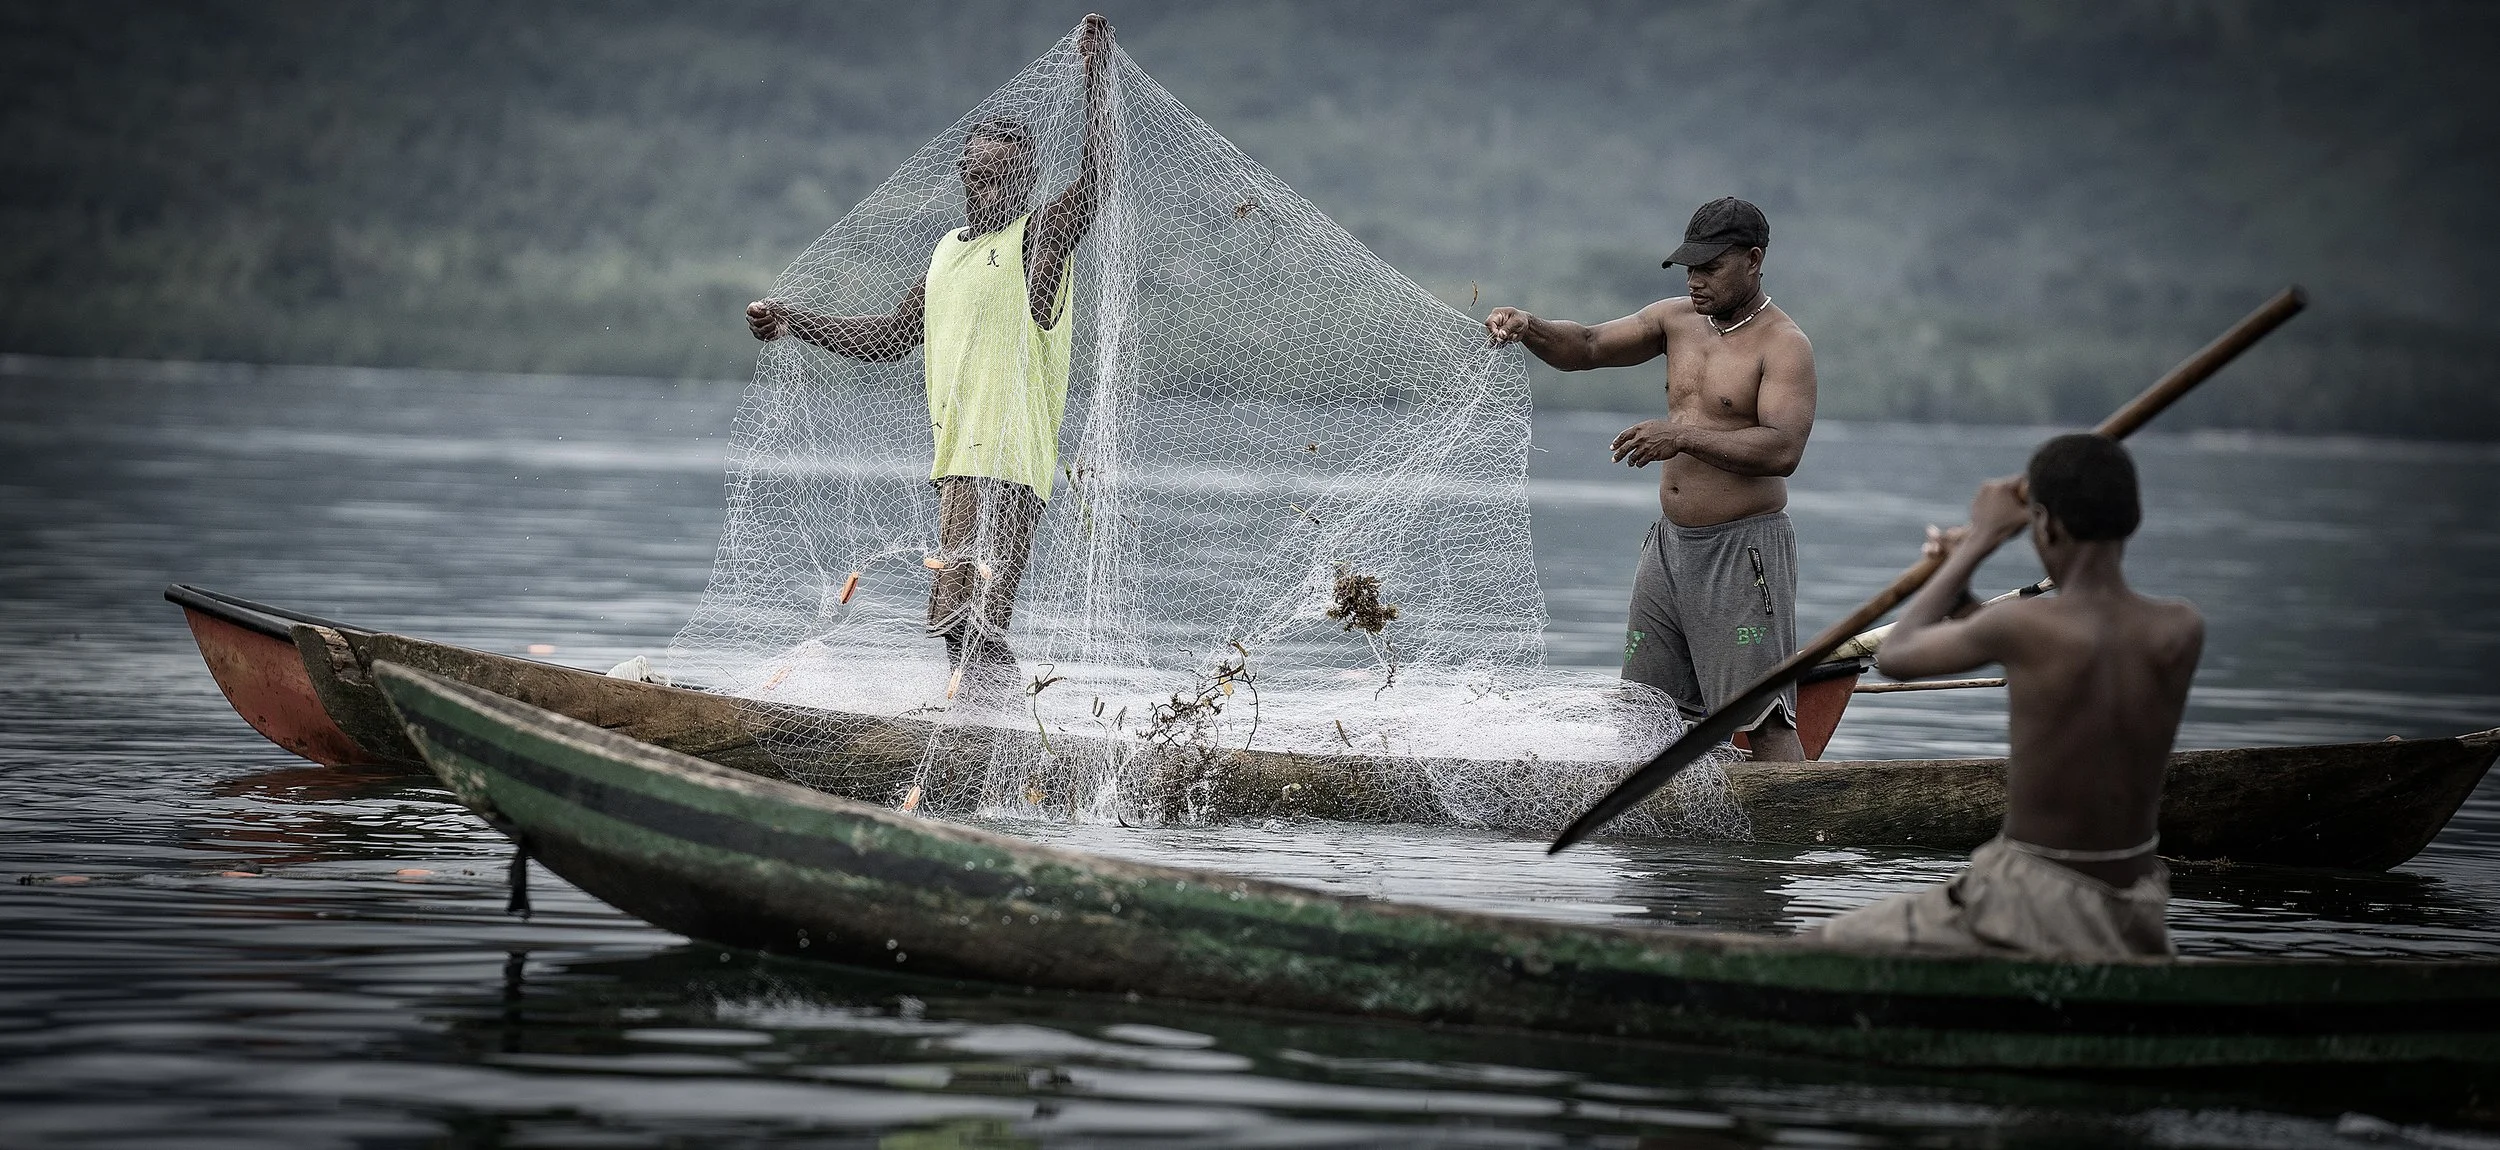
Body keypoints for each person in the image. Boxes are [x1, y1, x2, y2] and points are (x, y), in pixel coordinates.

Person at [745, 14, 1112, 683]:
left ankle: (990, 744)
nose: (986, 185)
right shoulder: (949, 255)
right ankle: (977, 734)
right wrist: (794, 320)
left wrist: (1096, 76)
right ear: (962, 175)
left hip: (1007, 466)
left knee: (978, 620)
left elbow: (1099, 180)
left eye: (1002, 175)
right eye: (976, 173)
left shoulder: (1040, 241)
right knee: (952, 621)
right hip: (958, 467)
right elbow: (889, 336)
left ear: (1028, 177)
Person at [1816, 433, 2204, 959]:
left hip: (2031, 895)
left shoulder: (2025, 627)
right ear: (2131, 519)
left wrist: (1975, 543)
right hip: (2135, 898)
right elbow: (2056, 654)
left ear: (2045, 524)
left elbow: (1896, 656)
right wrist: (1963, 597)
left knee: (1829, 941)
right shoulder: (2179, 629)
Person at [1485, 197, 1816, 760]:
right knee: (1645, 712)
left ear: (1754, 260)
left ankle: (1787, 833)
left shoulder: (1784, 346)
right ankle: (1654, 843)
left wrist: (1681, 436)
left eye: (1710, 268)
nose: (1696, 281)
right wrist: (1531, 327)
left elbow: (1782, 450)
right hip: (1669, 549)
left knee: (1758, 716)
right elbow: (1587, 346)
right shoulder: (1675, 320)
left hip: (1741, 551)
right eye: (1689, 268)